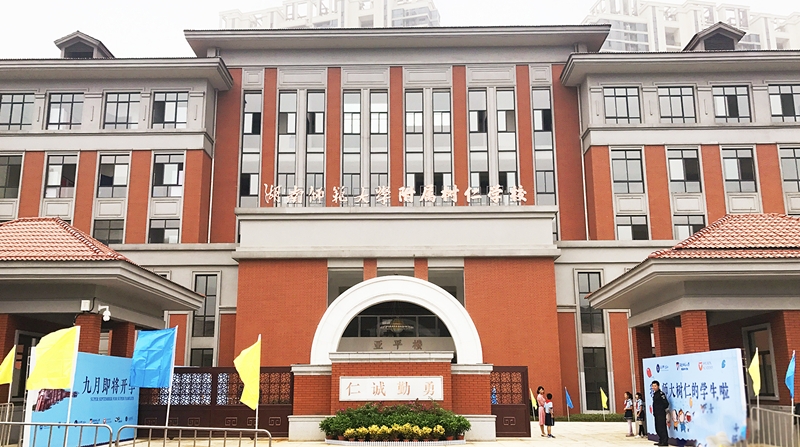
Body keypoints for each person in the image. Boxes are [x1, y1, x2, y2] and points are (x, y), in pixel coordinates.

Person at [652, 381, 670, 447]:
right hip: (656, 414)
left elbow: (666, 403)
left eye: (655, 386)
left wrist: (661, 410)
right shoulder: (655, 394)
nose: (654, 387)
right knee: (657, 428)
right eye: (653, 386)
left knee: (662, 427)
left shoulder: (661, 394)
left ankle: (665, 441)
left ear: (658, 386)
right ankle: (661, 440)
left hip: (661, 414)